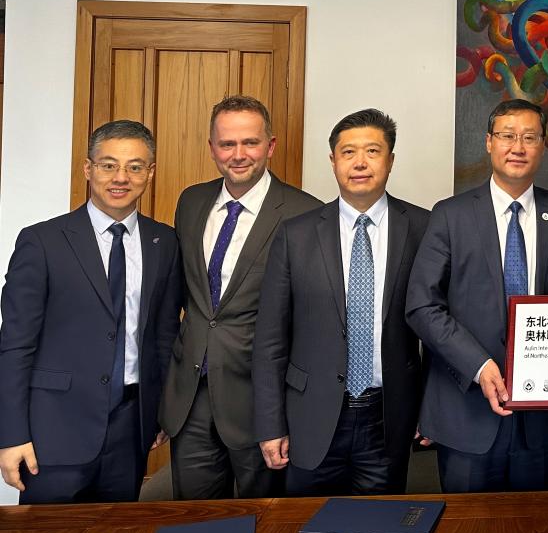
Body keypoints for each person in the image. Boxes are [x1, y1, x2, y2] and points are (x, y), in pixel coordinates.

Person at [407, 99, 548, 493]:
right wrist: (479, 365)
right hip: (466, 411)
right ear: (489, 142)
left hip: (542, 419)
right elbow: (422, 305)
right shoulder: (450, 215)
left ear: (543, 146)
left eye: (529, 137)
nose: (517, 147)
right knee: (468, 531)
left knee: (537, 528)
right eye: (507, 136)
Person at [0, 120, 183, 503]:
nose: (121, 178)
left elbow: (164, 336)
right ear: (88, 168)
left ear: (150, 173)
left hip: (131, 429)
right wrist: (11, 434)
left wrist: (162, 412)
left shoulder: (164, 242)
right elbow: (15, 346)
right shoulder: (42, 242)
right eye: (108, 165)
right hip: (53, 430)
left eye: (135, 167)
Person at [253, 109, 430, 495]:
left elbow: (436, 327)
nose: (360, 162)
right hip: (309, 415)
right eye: (348, 152)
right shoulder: (296, 235)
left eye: (372, 151)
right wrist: (270, 425)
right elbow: (270, 339)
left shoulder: (423, 227)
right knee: (307, 526)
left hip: (388, 416)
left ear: (390, 160)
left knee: (380, 526)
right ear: (333, 160)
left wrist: (431, 411)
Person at [159, 96, 320, 499]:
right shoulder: (191, 202)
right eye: (227, 144)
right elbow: (183, 299)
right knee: (194, 522)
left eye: (250, 142)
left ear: (271, 145)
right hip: (191, 399)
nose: (238, 154)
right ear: (212, 147)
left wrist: (284, 417)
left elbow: (310, 324)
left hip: (261, 403)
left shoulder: (305, 214)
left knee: (263, 521)